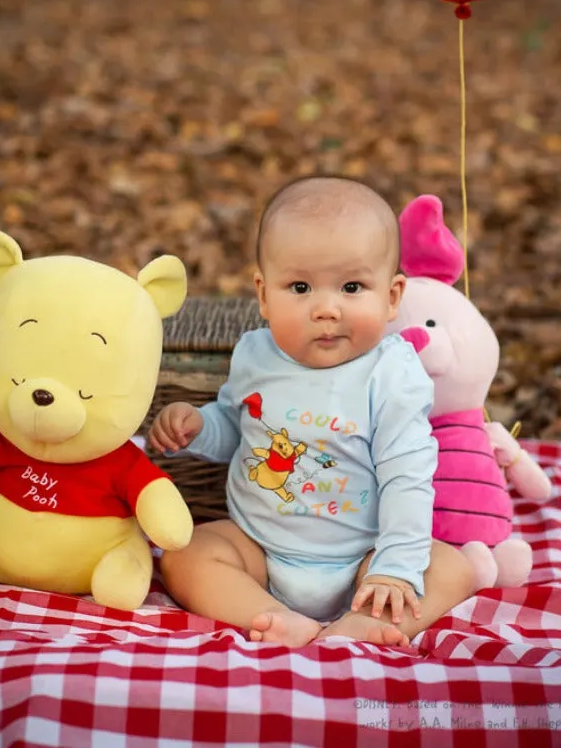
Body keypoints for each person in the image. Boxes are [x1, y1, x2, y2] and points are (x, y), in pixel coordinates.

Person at [149, 175, 474, 647]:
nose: (326, 308)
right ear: (263, 294)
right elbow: (236, 429)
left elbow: (408, 476)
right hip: (259, 547)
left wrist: (395, 567)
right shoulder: (255, 355)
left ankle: (362, 623)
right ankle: (272, 617)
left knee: (452, 569)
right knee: (185, 553)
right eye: (300, 286)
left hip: (363, 556)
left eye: (351, 287)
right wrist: (198, 427)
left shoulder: (391, 373)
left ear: (392, 297)